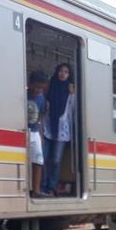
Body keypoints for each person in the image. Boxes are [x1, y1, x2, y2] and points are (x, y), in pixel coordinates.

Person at [41, 63, 76, 196]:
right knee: (43, 159)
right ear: (57, 72)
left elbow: (74, 109)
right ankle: (42, 186)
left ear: (69, 75)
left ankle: (52, 187)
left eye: (66, 72)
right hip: (47, 127)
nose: (63, 74)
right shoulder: (49, 86)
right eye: (61, 71)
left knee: (55, 160)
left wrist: (74, 93)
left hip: (63, 129)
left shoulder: (71, 90)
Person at [27, 71, 49, 198]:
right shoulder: (24, 95)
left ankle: (36, 190)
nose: (39, 90)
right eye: (36, 87)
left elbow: (40, 118)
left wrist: (40, 134)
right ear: (30, 84)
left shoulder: (41, 99)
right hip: (24, 130)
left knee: (38, 160)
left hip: (35, 132)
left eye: (41, 88)